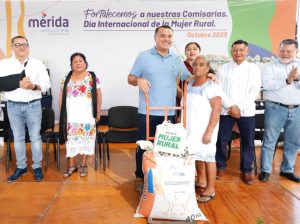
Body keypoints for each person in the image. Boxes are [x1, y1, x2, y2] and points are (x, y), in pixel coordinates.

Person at [128, 25, 190, 190]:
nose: (166, 39)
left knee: (164, 148)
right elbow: (130, 78)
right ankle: (140, 177)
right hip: (146, 111)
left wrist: (208, 75)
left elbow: (189, 78)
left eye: (169, 36)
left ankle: (160, 177)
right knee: (144, 146)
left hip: (168, 112)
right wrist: (138, 80)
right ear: (155, 38)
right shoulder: (144, 56)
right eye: (162, 36)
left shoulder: (176, 58)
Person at [0, 36, 51, 182]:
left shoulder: (37, 63)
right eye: (18, 44)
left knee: (35, 137)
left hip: (33, 105)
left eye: (24, 44)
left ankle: (36, 166)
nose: (22, 47)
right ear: (12, 47)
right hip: (13, 106)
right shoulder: (4, 64)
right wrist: (17, 82)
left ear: (28, 46)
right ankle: (21, 166)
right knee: (18, 137)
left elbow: (46, 85)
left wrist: (33, 86)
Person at [215, 39, 261, 185]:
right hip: (225, 111)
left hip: (246, 111)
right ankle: (220, 166)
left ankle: (247, 170)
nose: (238, 53)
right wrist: (230, 106)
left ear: (246, 51)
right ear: (231, 51)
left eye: (241, 50)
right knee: (221, 140)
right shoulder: (222, 68)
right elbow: (219, 90)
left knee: (247, 141)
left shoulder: (254, 69)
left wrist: (239, 107)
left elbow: (254, 91)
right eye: (235, 50)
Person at [259, 39, 300, 183]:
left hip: (297, 110)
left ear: (296, 52)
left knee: (293, 142)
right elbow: (267, 85)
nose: (285, 54)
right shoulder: (270, 66)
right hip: (275, 108)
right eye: (282, 50)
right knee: (269, 140)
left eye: (289, 51)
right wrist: (287, 80)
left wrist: (297, 80)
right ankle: (265, 170)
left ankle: (287, 170)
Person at [59, 52, 102, 178]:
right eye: (75, 62)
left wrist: (98, 111)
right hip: (71, 116)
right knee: (70, 139)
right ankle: (72, 165)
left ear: (85, 63)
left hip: (87, 115)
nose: (78, 63)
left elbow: (99, 94)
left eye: (80, 61)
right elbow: (61, 95)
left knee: (86, 139)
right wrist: (62, 112)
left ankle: (83, 164)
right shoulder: (66, 77)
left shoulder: (92, 77)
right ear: (71, 65)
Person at [186, 55, 222, 203]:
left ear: (208, 68)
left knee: (208, 158)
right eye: (195, 64)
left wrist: (209, 131)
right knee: (197, 155)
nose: (197, 67)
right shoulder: (190, 85)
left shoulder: (212, 85)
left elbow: (217, 109)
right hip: (191, 129)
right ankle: (201, 181)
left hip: (206, 129)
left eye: (201, 65)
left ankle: (210, 189)